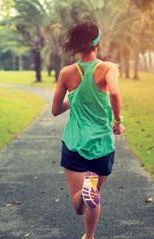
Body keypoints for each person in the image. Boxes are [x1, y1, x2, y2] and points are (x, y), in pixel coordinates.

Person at [51, 20, 124, 239]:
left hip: (74, 144)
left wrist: (74, 99)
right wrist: (118, 121)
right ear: (97, 43)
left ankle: (85, 194)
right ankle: (89, 236)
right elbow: (114, 93)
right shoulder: (108, 68)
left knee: (79, 205)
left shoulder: (66, 72)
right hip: (102, 144)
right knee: (93, 197)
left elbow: (55, 110)